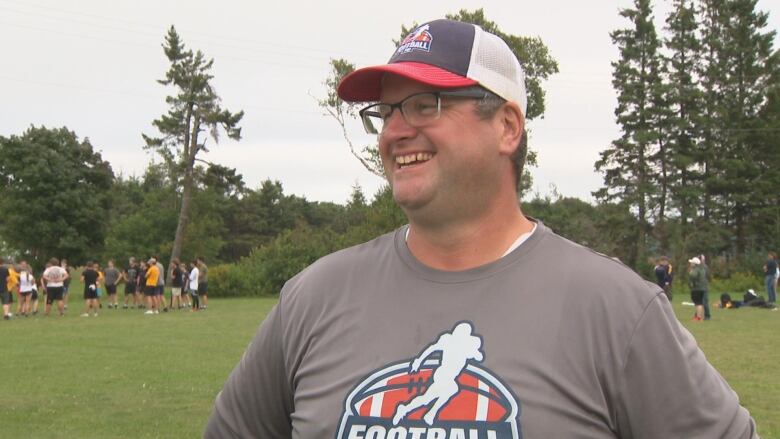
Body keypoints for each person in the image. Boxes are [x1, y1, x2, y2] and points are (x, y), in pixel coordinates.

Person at [204, 19, 759, 438]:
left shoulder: (616, 311)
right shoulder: (313, 298)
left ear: (507, 126)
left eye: (424, 105)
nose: (395, 131)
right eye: (386, 112)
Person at [688, 257, 708, 322]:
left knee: (698, 303)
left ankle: (698, 318)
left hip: (697, 288)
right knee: (699, 303)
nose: (690, 264)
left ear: (695, 264)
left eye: (692, 263)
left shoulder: (695, 270)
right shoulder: (702, 269)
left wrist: (690, 273)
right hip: (702, 288)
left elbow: (693, 276)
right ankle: (698, 316)